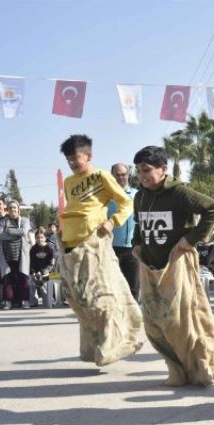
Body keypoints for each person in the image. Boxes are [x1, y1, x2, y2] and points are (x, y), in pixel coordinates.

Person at [131, 145, 214, 386]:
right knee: (155, 323)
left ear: (163, 169)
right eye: (138, 171)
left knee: (180, 321)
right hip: (151, 267)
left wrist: (190, 239)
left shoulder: (179, 192)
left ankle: (198, 368)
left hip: (177, 264)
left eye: (146, 170)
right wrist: (136, 243)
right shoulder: (140, 196)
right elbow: (139, 224)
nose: (141, 176)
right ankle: (176, 371)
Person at [59, 134, 142, 367]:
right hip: (71, 248)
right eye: (68, 159)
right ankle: (92, 347)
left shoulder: (102, 176)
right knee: (79, 300)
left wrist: (112, 222)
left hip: (94, 245)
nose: (72, 163)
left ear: (88, 155)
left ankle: (119, 341)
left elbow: (126, 203)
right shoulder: (69, 182)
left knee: (101, 298)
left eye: (75, 158)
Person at [107, 162, 139, 301]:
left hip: (133, 248)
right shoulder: (106, 197)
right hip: (111, 248)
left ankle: (133, 313)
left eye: (123, 174)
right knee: (112, 288)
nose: (121, 177)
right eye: (117, 175)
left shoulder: (137, 195)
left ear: (128, 175)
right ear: (112, 176)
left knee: (133, 287)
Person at [0, 199, 32, 309]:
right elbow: (0, 235)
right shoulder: (2, 222)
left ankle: (25, 301)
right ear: (7, 209)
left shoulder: (25, 220)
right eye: (10, 207)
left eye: (14, 207)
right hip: (6, 254)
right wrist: (17, 234)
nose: (12, 209)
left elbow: (24, 232)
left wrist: (8, 231)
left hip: (21, 254)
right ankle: (8, 302)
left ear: (18, 209)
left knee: (24, 277)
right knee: (7, 278)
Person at [29, 230, 56, 305]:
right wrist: (33, 272)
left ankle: (49, 300)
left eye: (41, 237)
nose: (39, 239)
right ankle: (33, 302)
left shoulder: (50, 249)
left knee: (43, 280)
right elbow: (31, 263)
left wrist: (41, 272)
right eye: (37, 237)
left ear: (45, 238)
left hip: (48, 272)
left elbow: (51, 265)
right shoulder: (33, 249)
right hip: (36, 272)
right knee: (30, 280)